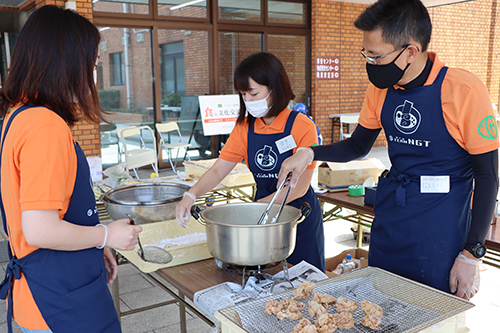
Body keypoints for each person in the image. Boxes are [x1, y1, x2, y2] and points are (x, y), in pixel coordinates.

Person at [278, 0, 499, 300]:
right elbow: (357, 145)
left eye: (377, 56)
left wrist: (472, 254)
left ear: (410, 52)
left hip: (441, 226)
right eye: (366, 54)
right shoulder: (380, 90)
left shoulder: (464, 90)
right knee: (380, 305)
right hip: (391, 218)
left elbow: (487, 176)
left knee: (430, 311)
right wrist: (309, 153)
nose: (370, 63)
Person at [0, 6, 142, 333]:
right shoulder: (44, 126)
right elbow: (39, 229)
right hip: (57, 304)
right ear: (67, 62)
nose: (93, 74)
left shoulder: (19, 115)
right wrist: (108, 233)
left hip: (44, 290)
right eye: (92, 64)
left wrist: (94, 244)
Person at [176, 52, 325, 271]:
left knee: (304, 285)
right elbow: (219, 170)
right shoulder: (245, 127)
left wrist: (252, 212)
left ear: (275, 87)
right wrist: (191, 195)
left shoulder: (302, 126)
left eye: (253, 93)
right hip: (260, 218)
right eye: (243, 95)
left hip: (296, 217)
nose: (248, 101)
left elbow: (299, 187)